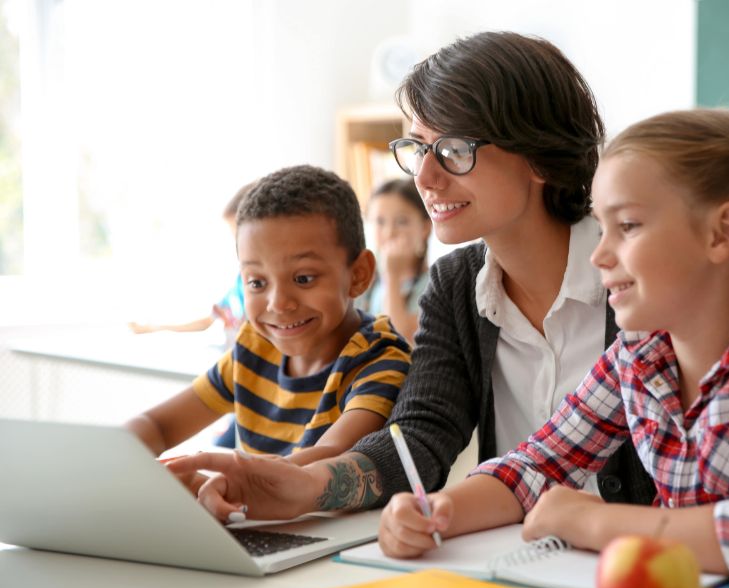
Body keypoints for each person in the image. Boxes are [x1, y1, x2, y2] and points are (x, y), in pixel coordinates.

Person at [377, 108, 729, 587]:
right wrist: (439, 510)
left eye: (627, 227)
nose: (600, 255)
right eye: (602, 229)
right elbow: (536, 464)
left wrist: (596, 520)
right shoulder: (640, 353)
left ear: (723, 233)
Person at [169, 31, 655, 520]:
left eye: (453, 150)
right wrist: (304, 485)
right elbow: (419, 437)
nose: (424, 177)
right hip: (514, 561)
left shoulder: (643, 278)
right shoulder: (458, 285)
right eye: (419, 148)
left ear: (538, 153)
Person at [126, 165, 412, 485]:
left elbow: (332, 453)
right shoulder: (253, 348)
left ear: (358, 275)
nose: (278, 303)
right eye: (257, 282)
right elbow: (157, 426)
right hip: (256, 527)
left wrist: (218, 482)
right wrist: (117, 454)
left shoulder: (379, 358)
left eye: (303, 278)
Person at [128, 179, 257, 340]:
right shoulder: (240, 284)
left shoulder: (261, 288)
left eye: (240, 237)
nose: (238, 248)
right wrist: (155, 328)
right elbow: (207, 321)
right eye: (234, 238)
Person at [356, 178, 431, 344]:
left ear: (425, 227)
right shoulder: (363, 281)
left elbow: (400, 338)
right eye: (380, 222)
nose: (389, 232)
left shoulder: (433, 285)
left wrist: (392, 274)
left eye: (402, 222)